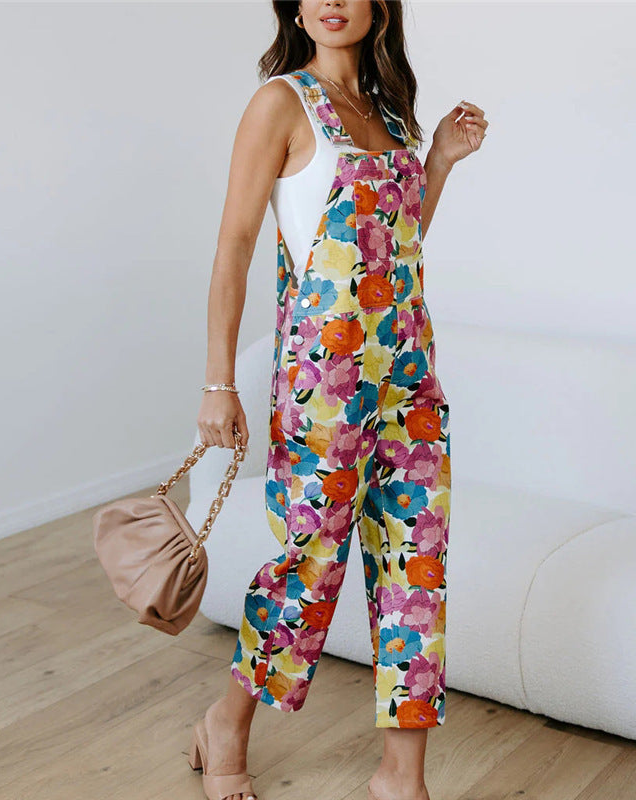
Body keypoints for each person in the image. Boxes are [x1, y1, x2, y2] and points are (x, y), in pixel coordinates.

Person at [190, 2, 487, 799]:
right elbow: (236, 247)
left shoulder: (390, 111)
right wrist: (220, 381)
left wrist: (442, 162)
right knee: (307, 565)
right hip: (325, 384)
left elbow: (400, 241)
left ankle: (401, 776)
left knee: (416, 569)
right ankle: (228, 721)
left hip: (410, 378)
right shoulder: (280, 103)